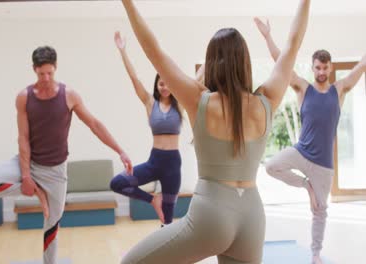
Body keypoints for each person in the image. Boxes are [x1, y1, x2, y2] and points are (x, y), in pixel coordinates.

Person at [119, 0, 311, 263]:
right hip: (252, 215)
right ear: (244, 62)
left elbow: (153, 50)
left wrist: (127, 3)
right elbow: (293, 43)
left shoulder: (199, 100)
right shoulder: (266, 101)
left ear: (211, 62)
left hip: (212, 213)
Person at [0, 46, 133, 264]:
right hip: (29, 163)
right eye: (41, 74)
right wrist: (27, 178)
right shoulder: (24, 97)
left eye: (50, 73)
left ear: (56, 68)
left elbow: (94, 125)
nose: (46, 78)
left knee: (51, 225)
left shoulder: (69, 96)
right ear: (34, 70)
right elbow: (23, 138)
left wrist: (120, 150)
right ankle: (38, 192)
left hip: (56, 172)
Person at [255, 17, 366, 264]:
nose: (322, 72)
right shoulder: (303, 88)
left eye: (325, 68)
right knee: (272, 166)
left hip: (324, 165)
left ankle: (316, 253)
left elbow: (361, 65)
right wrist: (267, 37)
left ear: (330, 68)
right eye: (317, 67)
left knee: (320, 211)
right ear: (313, 67)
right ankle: (306, 186)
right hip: (301, 153)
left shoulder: (340, 89)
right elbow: (281, 63)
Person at [109, 31, 184, 226]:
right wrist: (123, 51)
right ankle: (153, 200)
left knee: (167, 219)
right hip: (155, 161)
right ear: (157, 85)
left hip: (173, 164)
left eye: (168, 82)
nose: (164, 86)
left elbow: (198, 78)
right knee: (118, 183)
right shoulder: (150, 102)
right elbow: (134, 78)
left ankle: (166, 253)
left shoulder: (181, 103)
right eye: (161, 83)